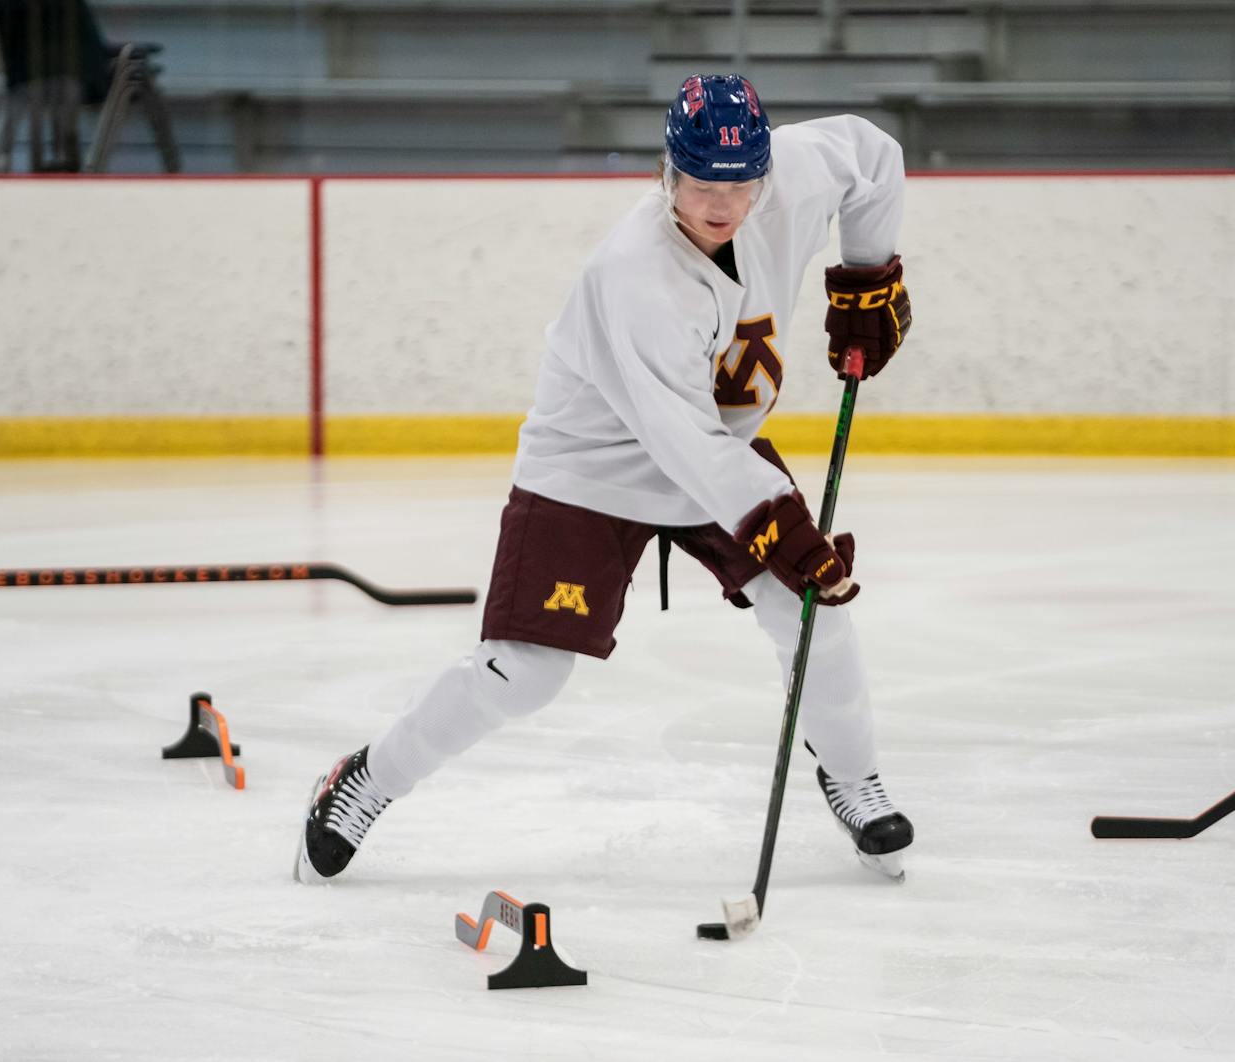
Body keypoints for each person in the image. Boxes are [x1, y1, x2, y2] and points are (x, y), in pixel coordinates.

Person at [295, 74, 915, 887]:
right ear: (668, 172)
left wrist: (870, 275)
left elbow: (874, 156)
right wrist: (784, 528)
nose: (723, 205)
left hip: (716, 449)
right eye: (701, 184)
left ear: (764, 167)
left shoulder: (788, 175)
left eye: (740, 184)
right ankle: (365, 780)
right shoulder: (635, 275)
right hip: (592, 469)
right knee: (525, 672)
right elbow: (681, 442)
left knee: (815, 617)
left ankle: (853, 777)